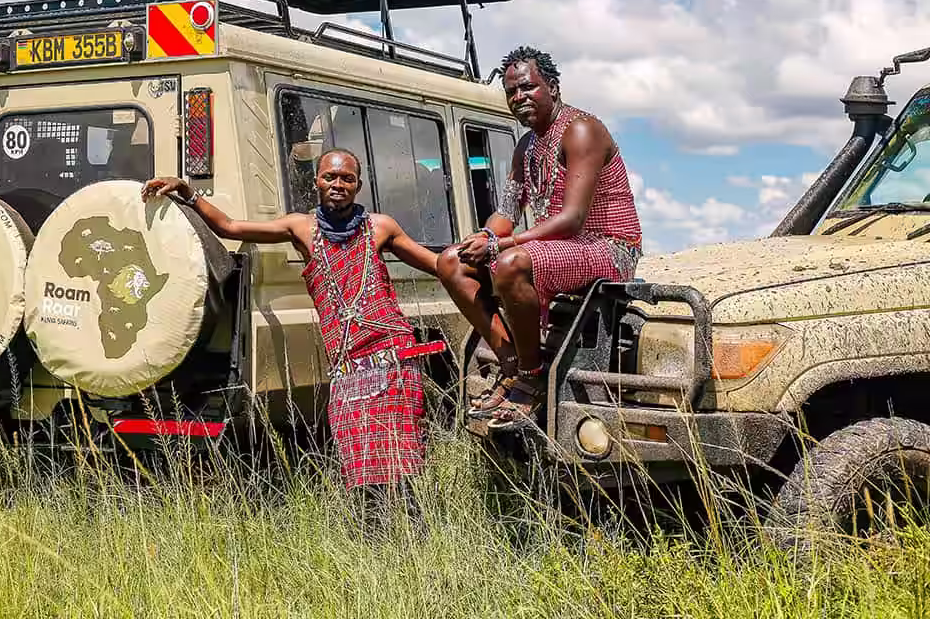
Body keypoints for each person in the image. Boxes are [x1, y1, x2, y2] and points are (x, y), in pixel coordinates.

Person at [141, 148, 444, 524]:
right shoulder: (301, 227)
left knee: (401, 465)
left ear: (359, 185)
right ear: (316, 181)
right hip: (348, 366)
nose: (338, 185)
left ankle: (415, 534)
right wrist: (187, 192)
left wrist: (484, 259)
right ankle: (376, 539)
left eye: (347, 179)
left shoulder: (381, 227)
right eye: (330, 177)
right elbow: (230, 228)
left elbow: (436, 265)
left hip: (393, 356)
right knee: (361, 463)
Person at [437, 46, 643, 430]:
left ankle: (531, 377)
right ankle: (511, 365)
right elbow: (506, 215)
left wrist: (500, 245)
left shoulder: (581, 130)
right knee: (450, 261)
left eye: (528, 88)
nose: (519, 98)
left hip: (610, 246)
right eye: (512, 92)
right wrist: (479, 238)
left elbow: (572, 219)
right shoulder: (526, 146)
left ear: (553, 86)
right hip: (562, 247)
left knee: (510, 262)